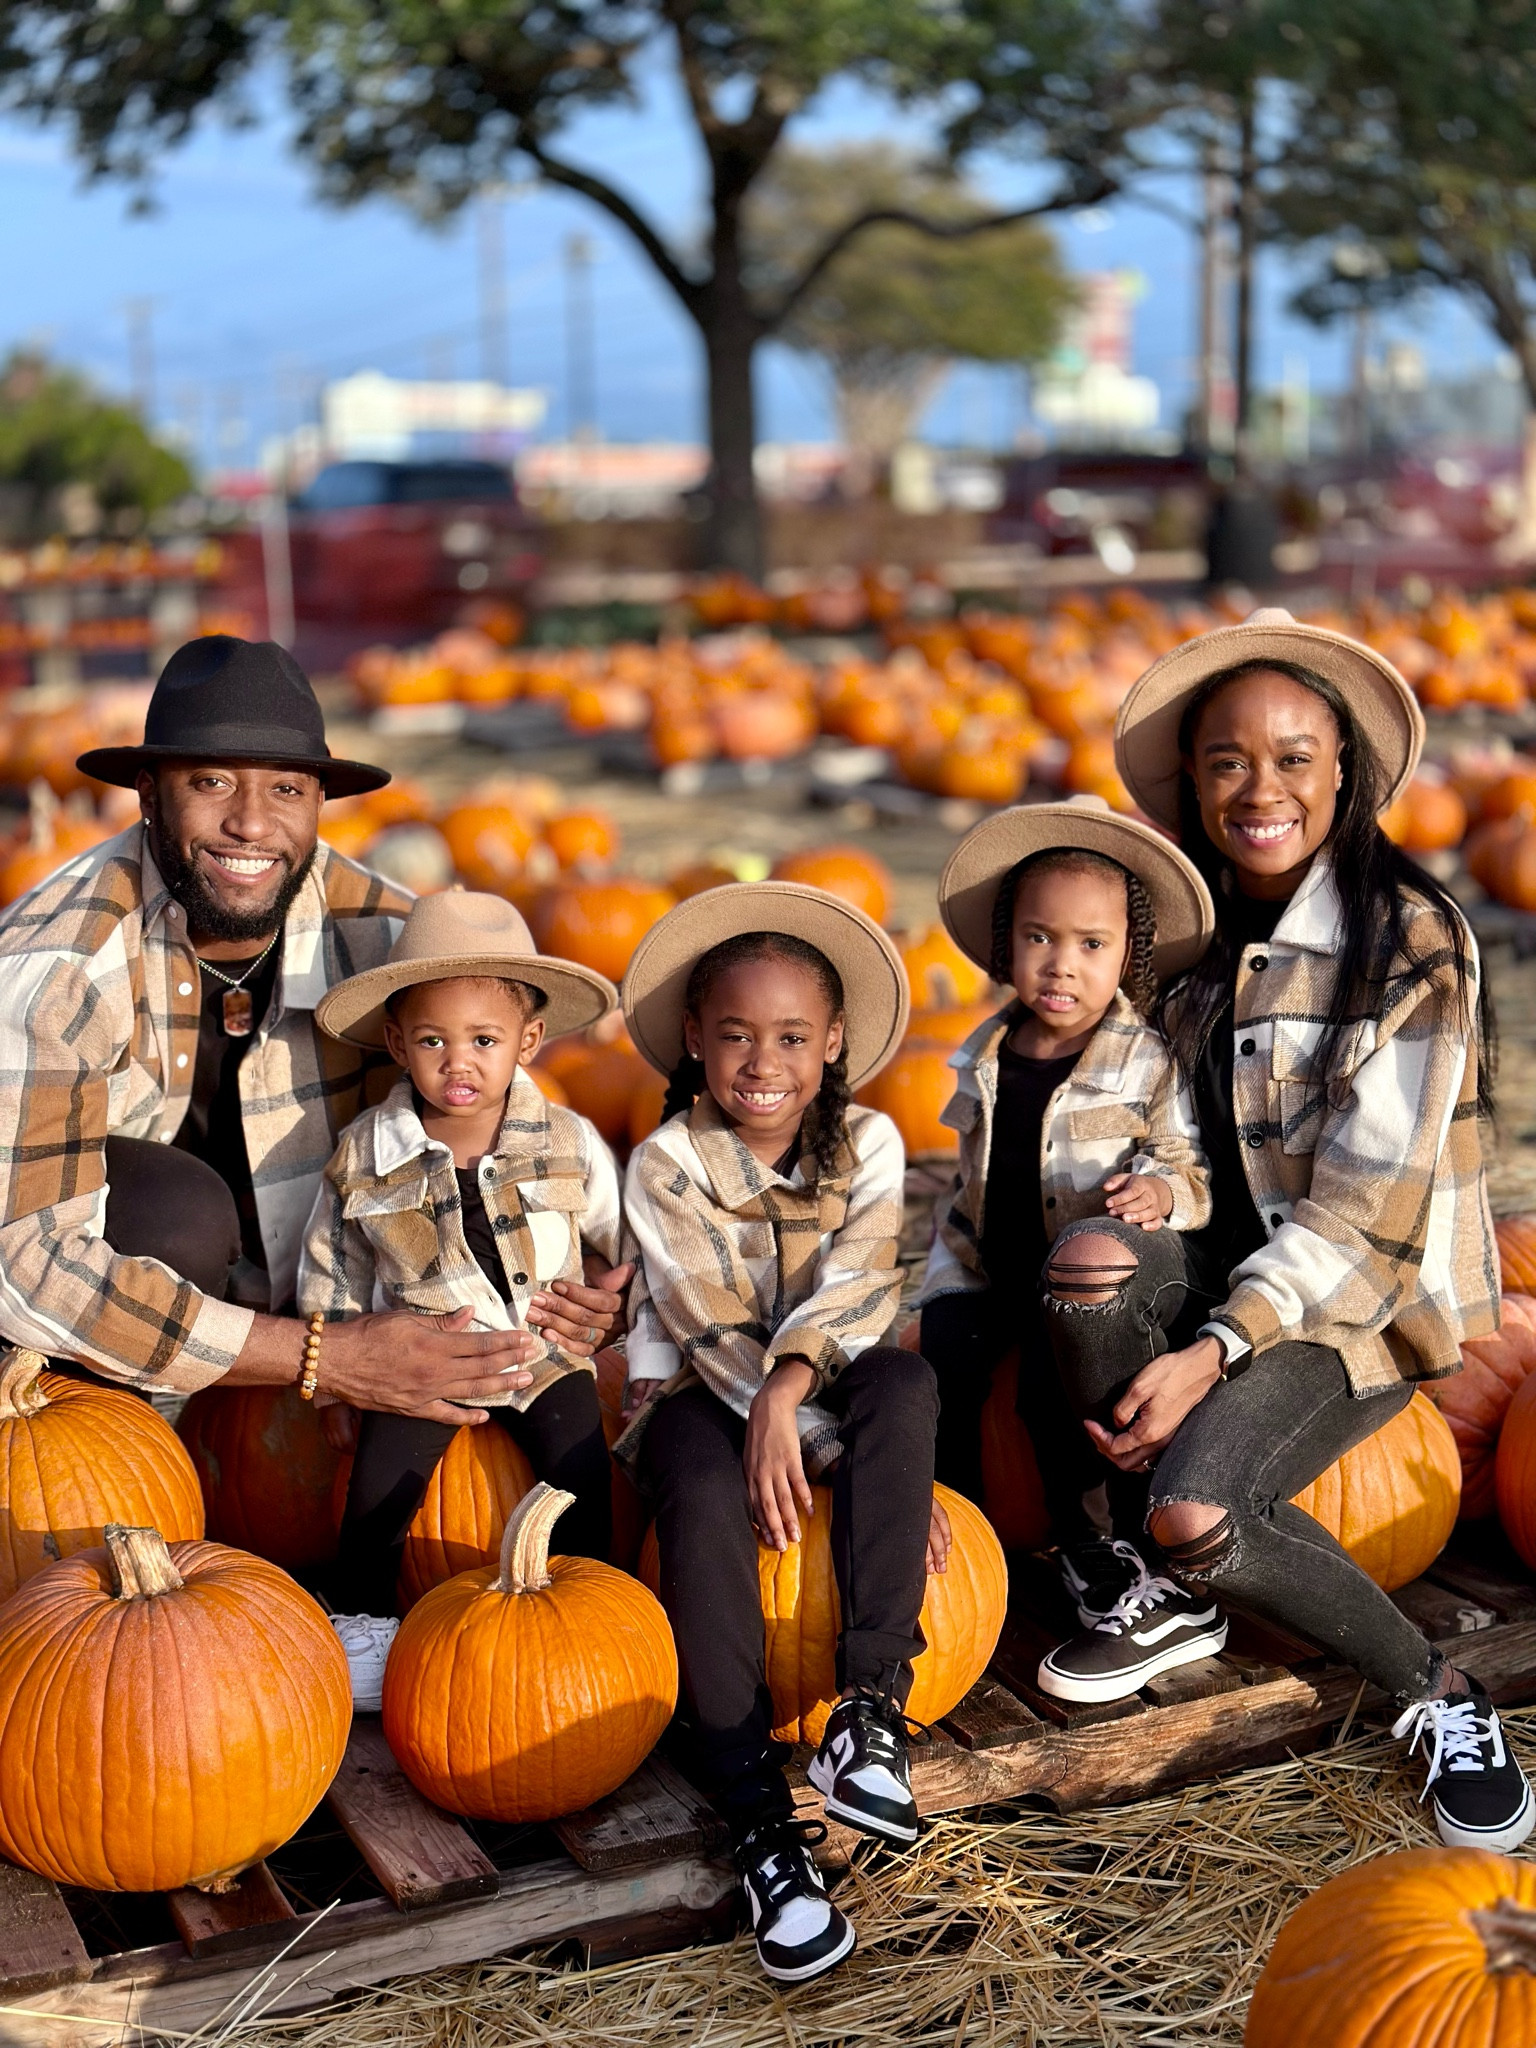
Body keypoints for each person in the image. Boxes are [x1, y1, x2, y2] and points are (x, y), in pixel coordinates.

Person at [1038, 605, 1531, 1855]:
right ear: (1192, 777)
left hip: (1357, 1301)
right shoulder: (1175, 937)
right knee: (1087, 1266)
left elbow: (1364, 1219)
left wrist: (1211, 1350)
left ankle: (1438, 1690)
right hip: (1224, 1254)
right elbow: (1148, 1116)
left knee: (1201, 1510)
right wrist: (1144, 1181)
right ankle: (1166, 1583)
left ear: (1344, 769)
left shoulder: (1409, 940)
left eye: (1294, 757)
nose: (1261, 789)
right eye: (1229, 760)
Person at [0, 635, 626, 1419]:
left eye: (287, 789)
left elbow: (511, 1131)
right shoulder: (57, 967)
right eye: (211, 782)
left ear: (320, 802)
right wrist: (324, 1359)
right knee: (177, 1212)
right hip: (120, 1330)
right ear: (150, 795)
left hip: (331, 1299)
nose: (251, 824)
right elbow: (23, 1262)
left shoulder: (394, 946)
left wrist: (582, 1275)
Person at [616, 880, 940, 1986]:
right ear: (695, 1039)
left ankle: (868, 1711)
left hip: (812, 1386)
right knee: (705, 1493)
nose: (764, 1061)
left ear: (834, 1041)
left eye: (794, 1036)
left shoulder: (874, 1142)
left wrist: (795, 1403)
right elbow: (703, 1321)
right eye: (737, 1035)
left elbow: (863, 1285)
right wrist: (821, 1442)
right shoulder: (666, 1162)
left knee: (905, 1382)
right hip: (698, 1395)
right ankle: (758, 1818)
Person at [297, 891, 623, 1705]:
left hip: (542, 1353)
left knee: (581, 1471)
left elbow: (623, 1240)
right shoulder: (367, 1153)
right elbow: (332, 1260)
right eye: (433, 1041)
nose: (458, 1064)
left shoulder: (569, 1141)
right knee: (381, 1489)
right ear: (397, 1043)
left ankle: (597, 1606)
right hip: (428, 1361)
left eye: (484, 1041)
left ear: (528, 1042)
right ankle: (367, 1619)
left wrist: (619, 1302)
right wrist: (335, 1380)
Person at [917, 797, 1218, 1667]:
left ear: (1129, 956)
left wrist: (1161, 1191)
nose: (1061, 964)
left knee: (1058, 1404)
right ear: (1006, 943)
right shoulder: (982, 1052)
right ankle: (959, 1527)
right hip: (987, 1265)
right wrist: (944, 1273)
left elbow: (1188, 1165)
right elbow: (971, 1181)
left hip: (1079, 1287)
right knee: (943, 1366)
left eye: (1091, 944)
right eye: (1039, 938)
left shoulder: (1146, 1060)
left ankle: (1093, 1543)